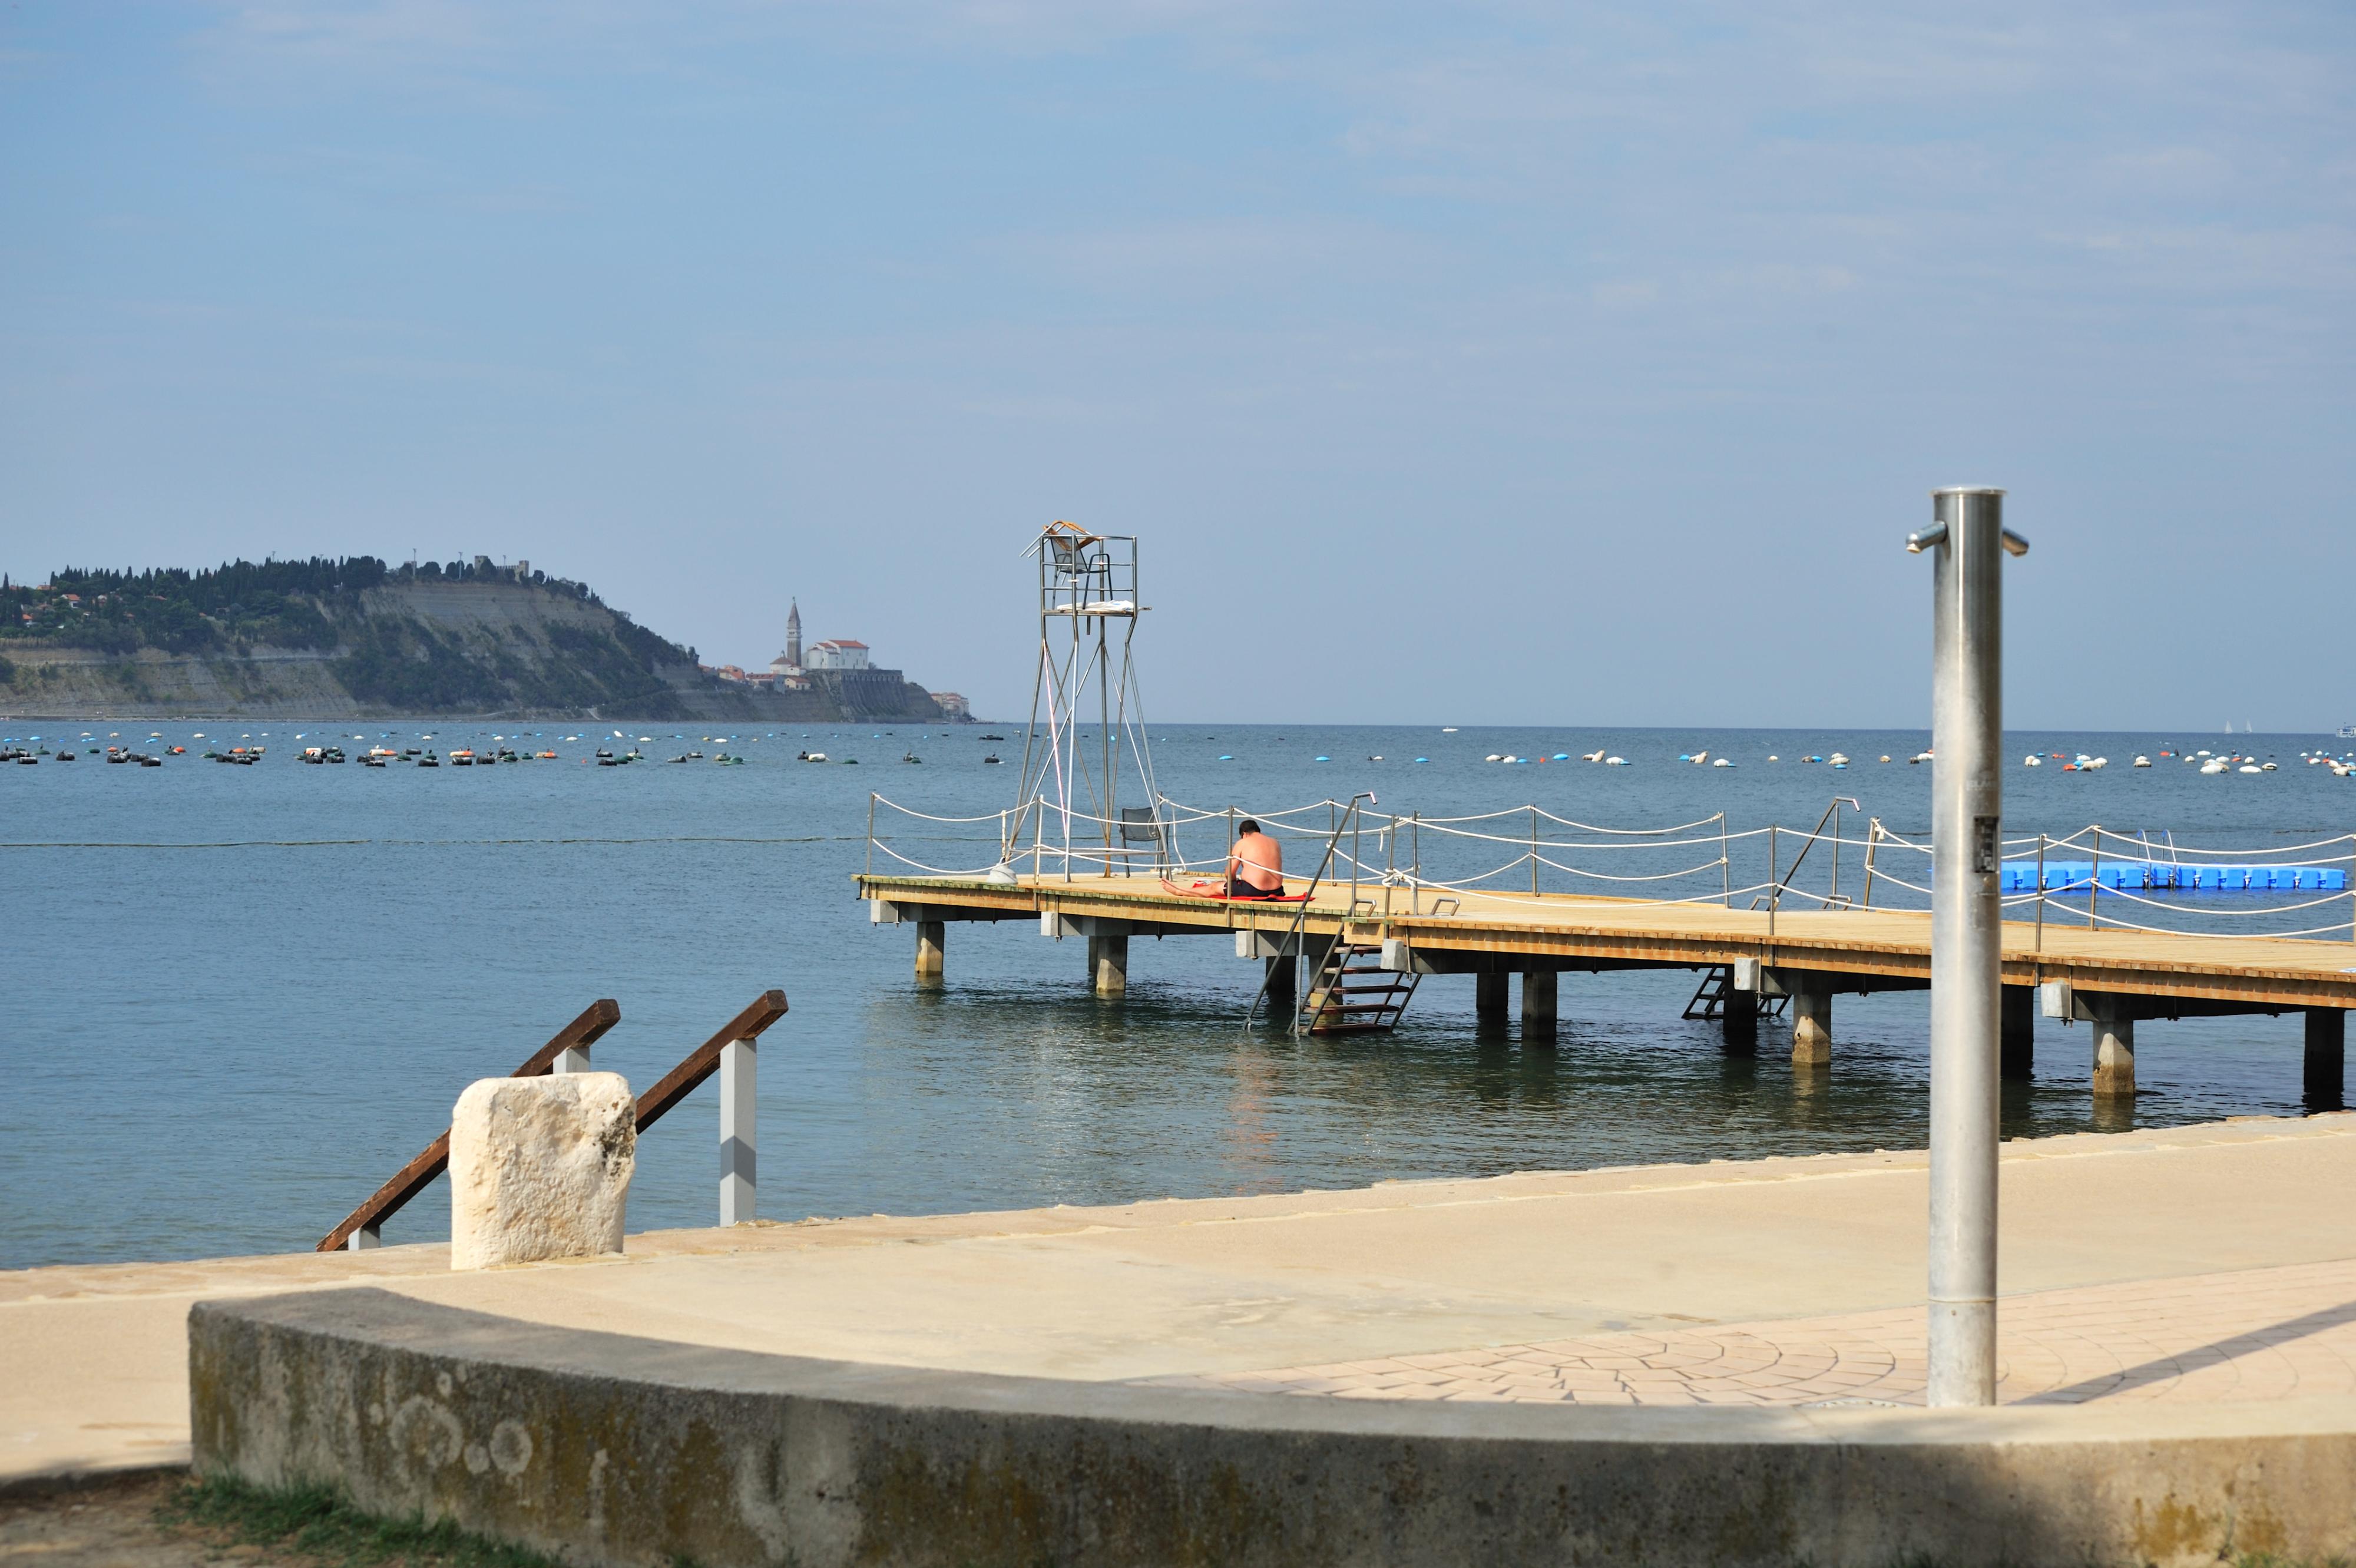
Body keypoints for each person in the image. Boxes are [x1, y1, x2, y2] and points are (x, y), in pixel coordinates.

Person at [1227, 819, 1285, 898]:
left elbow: (1229, 873)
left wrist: (1233, 882)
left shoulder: (1242, 842)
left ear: (1244, 834)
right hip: (1277, 891)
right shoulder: (1275, 842)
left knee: (1213, 888)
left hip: (1253, 890)